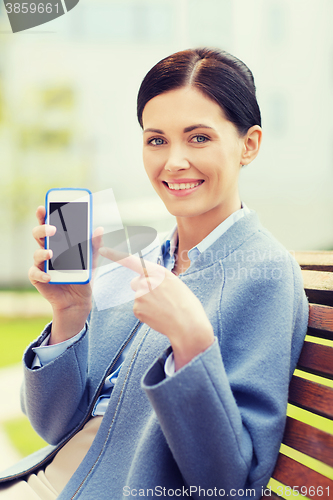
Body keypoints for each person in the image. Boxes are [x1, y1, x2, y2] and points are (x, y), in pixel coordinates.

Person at [0, 48, 308, 499]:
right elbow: (51, 426)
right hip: (44, 481)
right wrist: (70, 314)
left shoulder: (265, 274)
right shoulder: (141, 257)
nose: (173, 161)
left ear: (249, 144)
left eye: (198, 138)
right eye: (156, 139)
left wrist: (191, 342)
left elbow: (226, 485)